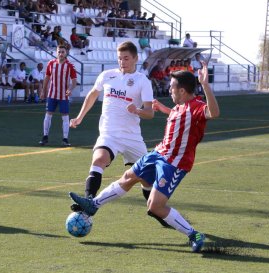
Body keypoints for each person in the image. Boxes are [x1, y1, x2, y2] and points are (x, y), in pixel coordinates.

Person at [69, 64, 220, 253]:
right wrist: (163, 108)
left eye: (172, 86)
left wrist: (205, 85)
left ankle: (193, 234)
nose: (169, 89)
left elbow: (213, 113)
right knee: (128, 177)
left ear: (182, 90)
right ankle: (93, 205)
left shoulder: (196, 107)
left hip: (174, 163)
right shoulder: (180, 106)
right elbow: (178, 116)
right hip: (158, 154)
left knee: (155, 206)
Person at [68, 41, 174, 228]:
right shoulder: (107, 75)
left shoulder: (143, 81)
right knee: (98, 160)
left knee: (146, 179)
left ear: (135, 58)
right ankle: (88, 202)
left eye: (126, 58)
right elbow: (92, 95)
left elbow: (149, 113)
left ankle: (158, 212)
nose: (122, 62)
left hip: (132, 137)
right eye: (119, 58)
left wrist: (137, 110)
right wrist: (79, 117)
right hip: (109, 133)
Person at [38, 44, 77, 147]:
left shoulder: (70, 65)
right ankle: (45, 136)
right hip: (52, 94)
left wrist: (70, 89)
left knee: (65, 117)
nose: (60, 54)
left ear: (66, 53)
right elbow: (47, 77)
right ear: (56, 52)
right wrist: (43, 90)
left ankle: (65, 139)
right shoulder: (51, 63)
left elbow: (74, 81)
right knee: (48, 115)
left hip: (64, 96)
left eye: (62, 52)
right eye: (59, 52)